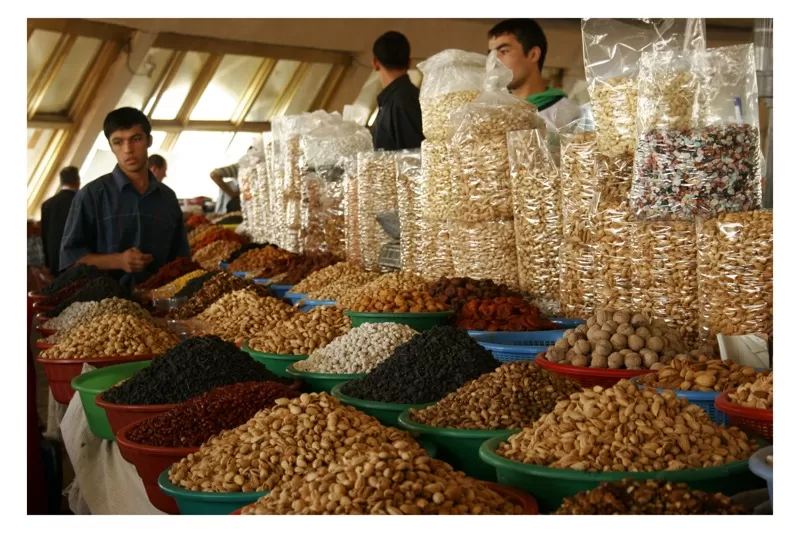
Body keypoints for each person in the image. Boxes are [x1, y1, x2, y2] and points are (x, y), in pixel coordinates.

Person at [59, 107, 190, 290]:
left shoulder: (167, 197)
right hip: (105, 308)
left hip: (161, 305)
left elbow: (181, 261)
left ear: (148, 141)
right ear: (111, 146)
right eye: (118, 142)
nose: (128, 150)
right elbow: (71, 260)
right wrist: (118, 260)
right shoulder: (91, 196)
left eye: (135, 139)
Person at [488, 19, 582, 131]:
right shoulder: (491, 112)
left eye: (504, 51)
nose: (494, 61)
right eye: (490, 54)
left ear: (533, 55)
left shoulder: (568, 114)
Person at [370, 31, 424, 151]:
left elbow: (413, 157)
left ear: (375, 63)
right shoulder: (413, 97)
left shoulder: (399, 103)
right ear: (409, 62)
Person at [40, 166, 80, 275]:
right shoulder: (81, 201)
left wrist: (47, 262)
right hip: (77, 260)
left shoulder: (47, 204)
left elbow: (44, 236)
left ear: (61, 182)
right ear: (78, 180)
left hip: (54, 260)